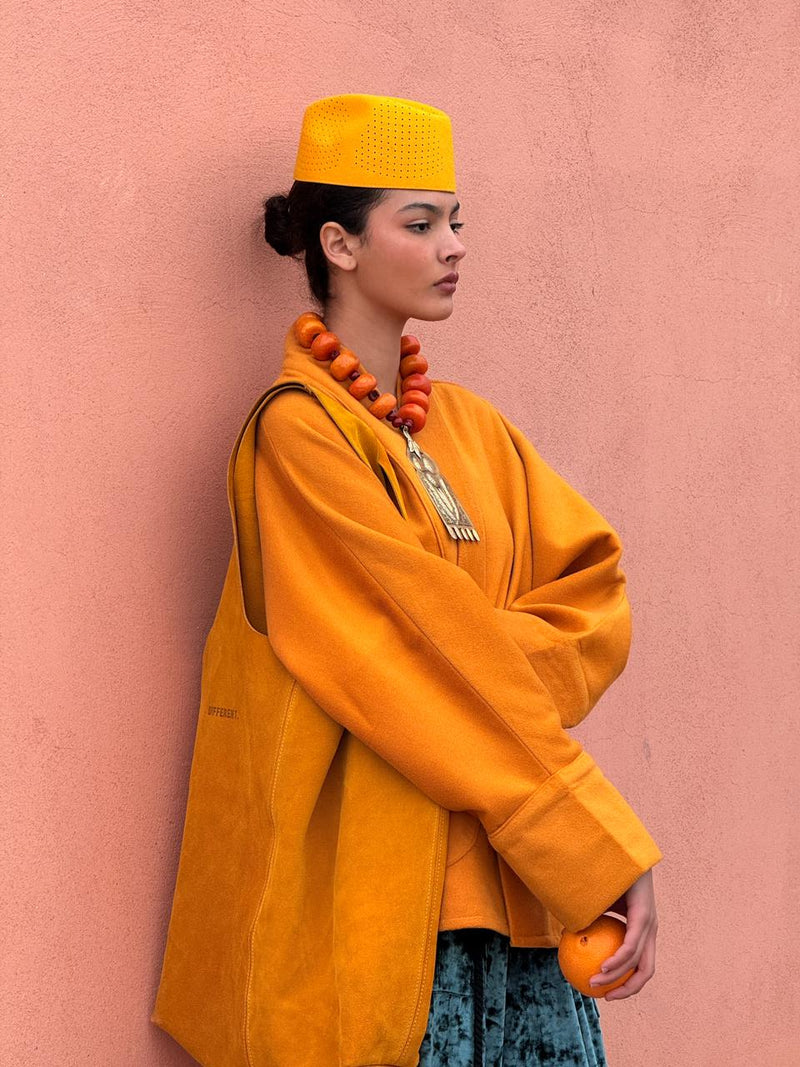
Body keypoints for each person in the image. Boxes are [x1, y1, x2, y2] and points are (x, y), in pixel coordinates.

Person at [150, 94, 662, 1067]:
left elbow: (590, 594)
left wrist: (470, 662)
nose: (452, 245)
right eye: (419, 224)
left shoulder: (472, 427)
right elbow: (398, 656)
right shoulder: (299, 435)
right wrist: (589, 841)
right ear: (339, 244)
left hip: (516, 893)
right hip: (392, 904)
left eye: (456, 221)